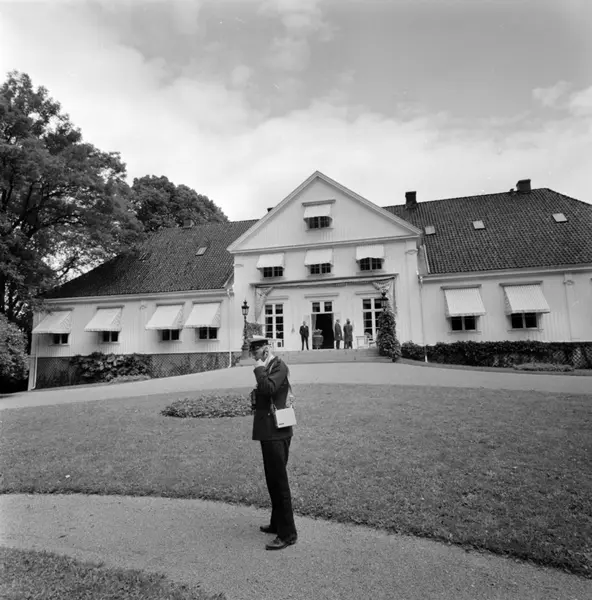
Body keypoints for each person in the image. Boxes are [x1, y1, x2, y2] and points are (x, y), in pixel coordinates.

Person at [249, 335, 298, 550]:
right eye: (252, 352)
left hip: (278, 432)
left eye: (257, 351)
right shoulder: (269, 367)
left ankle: (288, 534)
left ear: (266, 349)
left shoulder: (278, 366)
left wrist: (259, 369)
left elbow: (268, 388)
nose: (254, 355)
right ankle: (277, 522)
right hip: (268, 431)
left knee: (279, 482)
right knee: (272, 480)